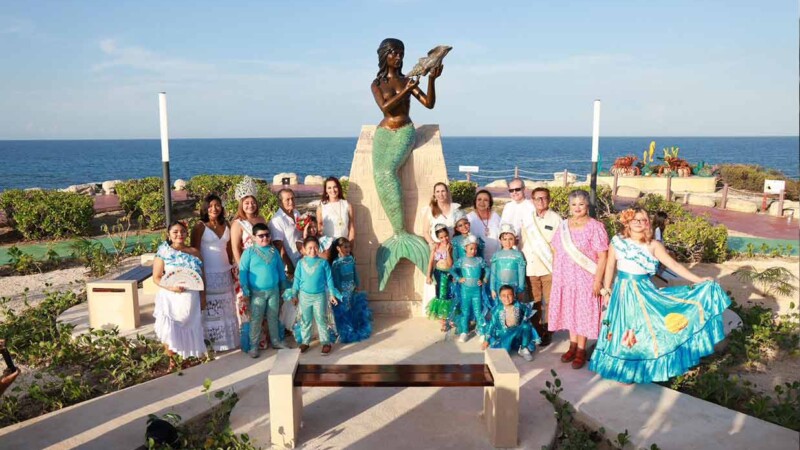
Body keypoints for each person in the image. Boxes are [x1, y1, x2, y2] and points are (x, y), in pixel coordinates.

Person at [589, 208, 730, 384]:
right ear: (627, 222)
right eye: (636, 219)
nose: (640, 223)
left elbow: (673, 265)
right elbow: (610, 267)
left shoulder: (654, 245)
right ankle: (621, 367)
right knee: (621, 328)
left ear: (648, 222)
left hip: (643, 292)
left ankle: (636, 369)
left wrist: (699, 279)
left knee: (641, 329)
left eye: (644, 219)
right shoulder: (617, 241)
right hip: (621, 291)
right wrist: (607, 289)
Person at [371, 38, 443, 286]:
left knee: (388, 171)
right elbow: (386, 108)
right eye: (394, 54)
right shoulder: (377, 83)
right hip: (383, 132)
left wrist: (432, 79)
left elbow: (429, 104)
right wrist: (406, 89)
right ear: (385, 56)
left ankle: (402, 234)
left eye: (401, 53)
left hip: (404, 131)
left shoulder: (407, 79)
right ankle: (396, 235)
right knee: (378, 173)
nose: (399, 58)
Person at [548, 189, 609, 369]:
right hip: (565, 278)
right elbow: (556, 248)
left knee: (582, 313)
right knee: (570, 311)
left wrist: (598, 280)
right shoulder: (564, 225)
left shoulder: (595, 227)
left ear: (587, 205)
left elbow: (603, 256)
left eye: (581, 204)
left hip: (585, 278)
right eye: (574, 204)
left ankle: (581, 349)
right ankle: (572, 345)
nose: (577, 207)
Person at [153, 221, 206, 365]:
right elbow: (156, 277)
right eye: (175, 232)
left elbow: (202, 276)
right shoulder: (163, 252)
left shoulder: (195, 252)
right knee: (170, 328)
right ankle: (172, 360)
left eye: (182, 231)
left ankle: (186, 359)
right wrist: (171, 287)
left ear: (186, 234)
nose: (179, 235)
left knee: (190, 326)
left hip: (191, 297)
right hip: (170, 297)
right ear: (169, 234)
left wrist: (203, 296)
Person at [191, 194, 239, 352]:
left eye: (217, 205)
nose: (214, 208)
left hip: (224, 271)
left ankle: (228, 342)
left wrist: (233, 267)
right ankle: (212, 343)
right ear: (205, 208)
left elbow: (229, 248)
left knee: (227, 308)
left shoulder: (226, 224)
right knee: (211, 309)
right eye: (210, 206)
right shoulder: (199, 226)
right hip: (208, 273)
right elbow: (194, 251)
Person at [284, 236, 342, 355]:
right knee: (305, 320)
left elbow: (329, 279)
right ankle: (305, 342)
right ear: (304, 249)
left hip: (319, 297)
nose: (313, 250)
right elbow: (297, 280)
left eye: (315, 247)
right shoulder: (301, 263)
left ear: (319, 248)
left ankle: (325, 342)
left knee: (321, 319)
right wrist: (294, 295)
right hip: (305, 297)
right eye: (309, 248)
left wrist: (331, 294)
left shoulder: (323, 263)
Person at [239, 223, 289, 358]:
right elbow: (243, 272)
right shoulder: (248, 252)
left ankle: (276, 341)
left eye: (267, 235)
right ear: (254, 237)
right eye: (261, 236)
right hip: (257, 293)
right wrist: (245, 290)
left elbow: (280, 270)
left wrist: (284, 286)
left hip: (273, 291)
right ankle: (253, 346)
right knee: (256, 319)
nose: (264, 238)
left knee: (273, 317)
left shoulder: (274, 251)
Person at [230, 176, 269, 351]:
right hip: (246, 269)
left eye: (252, 202)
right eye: (246, 203)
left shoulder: (261, 219)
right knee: (246, 305)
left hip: (262, 268)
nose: (250, 205)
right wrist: (242, 269)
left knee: (261, 303)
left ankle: (262, 339)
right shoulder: (237, 224)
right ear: (241, 204)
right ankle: (250, 342)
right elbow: (235, 248)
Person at [520, 187, 561, 346]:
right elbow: (522, 242)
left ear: (549, 200)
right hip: (531, 268)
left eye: (544, 198)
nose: (541, 201)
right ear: (532, 200)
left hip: (549, 267)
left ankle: (548, 329)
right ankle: (537, 328)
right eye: (537, 198)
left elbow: (559, 246)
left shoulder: (556, 219)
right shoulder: (527, 219)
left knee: (550, 301)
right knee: (535, 300)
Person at [481, 285, 540, 361]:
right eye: (504, 296)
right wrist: (486, 340)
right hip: (504, 334)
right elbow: (491, 325)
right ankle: (507, 345)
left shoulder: (518, 305)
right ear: (500, 297)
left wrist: (525, 319)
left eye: (509, 295)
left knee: (526, 326)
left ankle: (523, 348)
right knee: (504, 354)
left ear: (514, 296)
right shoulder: (497, 310)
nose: (507, 298)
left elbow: (526, 309)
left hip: (517, 330)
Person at [330, 237, 373, 343]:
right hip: (342, 290)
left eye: (349, 247)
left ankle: (352, 328)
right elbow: (335, 280)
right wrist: (339, 293)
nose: (348, 249)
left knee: (352, 307)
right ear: (338, 248)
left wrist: (356, 284)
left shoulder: (350, 259)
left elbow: (354, 273)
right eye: (345, 247)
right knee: (344, 309)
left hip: (351, 288)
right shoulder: (336, 263)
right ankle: (344, 331)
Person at [451, 234, 489, 343]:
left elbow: (488, 270)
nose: (473, 251)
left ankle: (482, 331)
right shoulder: (462, 260)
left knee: (478, 311)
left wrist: (484, 279)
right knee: (465, 311)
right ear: (465, 248)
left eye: (475, 249)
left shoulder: (479, 260)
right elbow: (452, 270)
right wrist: (458, 278)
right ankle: (464, 332)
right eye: (471, 248)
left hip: (476, 291)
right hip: (465, 291)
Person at [270, 188, 303, 276]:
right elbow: (279, 246)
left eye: (292, 198)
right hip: (290, 265)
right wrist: (290, 266)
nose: (291, 201)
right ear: (280, 202)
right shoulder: (277, 220)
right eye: (287, 199)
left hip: (302, 260)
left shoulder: (296, 213)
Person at [490, 223, 527, 302]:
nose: (508, 242)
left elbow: (521, 274)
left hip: (514, 288)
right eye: (505, 239)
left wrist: (521, 290)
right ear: (500, 240)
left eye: (510, 239)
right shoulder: (496, 255)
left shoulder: (518, 255)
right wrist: (492, 288)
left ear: (515, 239)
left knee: (514, 309)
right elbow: (493, 273)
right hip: (499, 287)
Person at [425, 224, 454, 323]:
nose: (444, 239)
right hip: (439, 273)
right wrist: (428, 276)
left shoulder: (451, 246)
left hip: (448, 273)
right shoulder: (435, 247)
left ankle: (449, 316)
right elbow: (431, 262)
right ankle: (442, 319)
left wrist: (448, 252)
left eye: (446, 236)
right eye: (441, 237)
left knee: (449, 294)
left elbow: (450, 264)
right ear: (437, 237)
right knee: (441, 294)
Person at [316, 177, 355, 243]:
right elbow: (319, 227)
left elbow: (351, 227)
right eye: (329, 188)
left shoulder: (347, 205)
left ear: (339, 188)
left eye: (335, 187)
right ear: (326, 190)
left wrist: (351, 244)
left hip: (343, 245)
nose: (333, 190)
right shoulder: (321, 207)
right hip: (328, 246)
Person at [467, 189, 502, 262]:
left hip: (496, 258)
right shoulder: (469, 218)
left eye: (485, 200)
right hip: (477, 260)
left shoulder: (495, 216)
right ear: (475, 202)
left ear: (490, 203)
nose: (482, 202)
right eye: (479, 199)